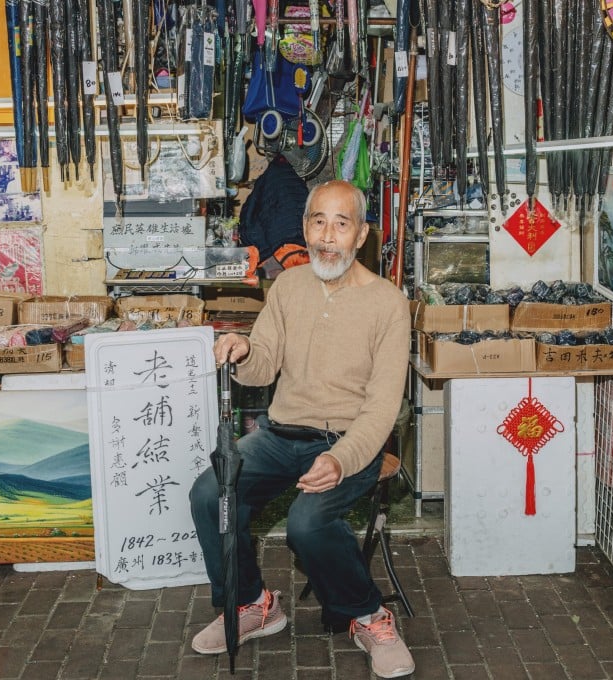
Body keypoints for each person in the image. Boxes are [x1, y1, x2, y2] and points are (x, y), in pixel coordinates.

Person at [189, 180, 415, 678]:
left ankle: (367, 614)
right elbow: (264, 364)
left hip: (351, 441)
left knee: (307, 524)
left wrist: (341, 459)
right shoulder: (289, 287)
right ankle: (252, 603)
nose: (328, 236)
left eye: (341, 223)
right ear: (305, 227)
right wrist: (245, 351)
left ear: (361, 236)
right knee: (210, 492)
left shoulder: (388, 304)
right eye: (318, 221)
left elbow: (381, 408)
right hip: (281, 433)